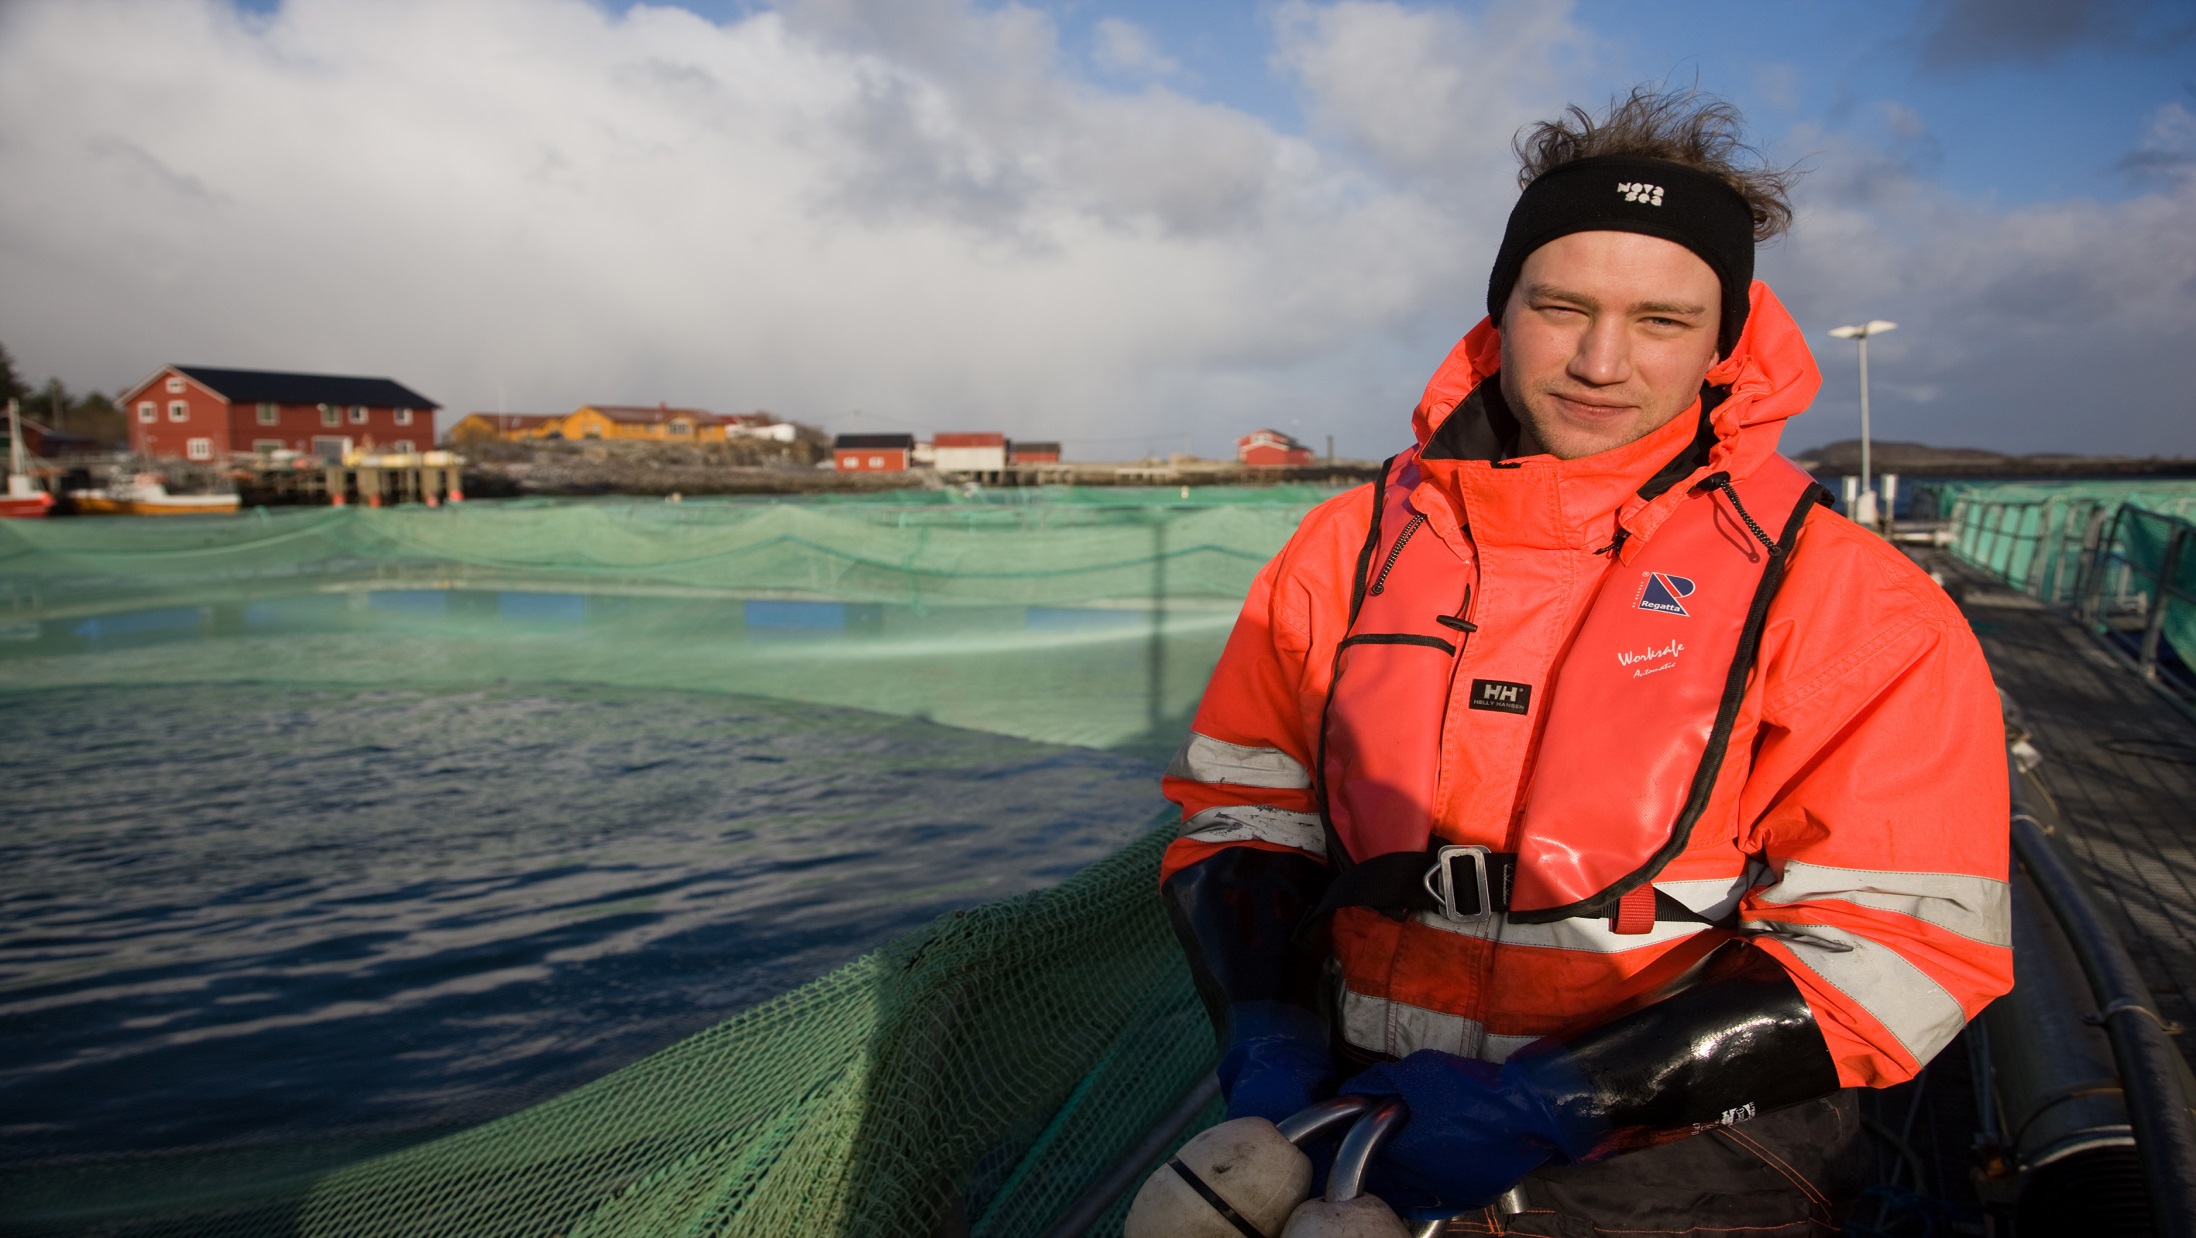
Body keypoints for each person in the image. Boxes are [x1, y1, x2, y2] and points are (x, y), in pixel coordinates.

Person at [1158, 87, 2012, 1235]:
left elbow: (1900, 942)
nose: (1603, 361)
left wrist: (1556, 1100)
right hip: (1350, 1107)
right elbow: (1242, 814)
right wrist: (1265, 1032)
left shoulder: (1852, 599)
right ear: (1501, 311)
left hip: (1698, 1162)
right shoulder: (1344, 548)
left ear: (1726, 342)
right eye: (1561, 305)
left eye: (1662, 319)